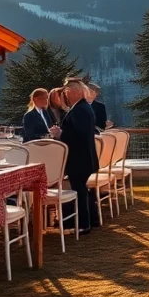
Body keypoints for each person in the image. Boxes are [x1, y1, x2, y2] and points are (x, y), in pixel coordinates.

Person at [60, 78, 100, 232]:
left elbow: (79, 134)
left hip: (78, 158)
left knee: (80, 191)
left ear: (72, 92)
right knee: (83, 190)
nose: (65, 96)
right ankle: (91, 220)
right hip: (84, 157)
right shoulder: (85, 107)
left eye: (66, 92)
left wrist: (60, 134)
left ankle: (84, 224)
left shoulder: (79, 110)